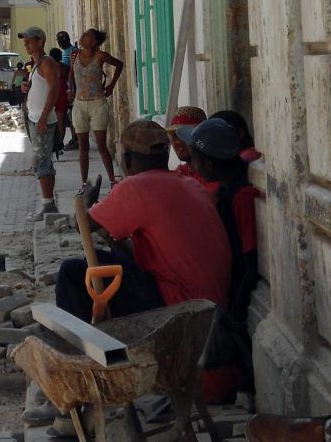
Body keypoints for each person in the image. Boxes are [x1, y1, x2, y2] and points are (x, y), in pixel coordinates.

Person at [24, 120, 232, 426]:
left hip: (176, 309)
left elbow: (87, 223)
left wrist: (90, 204)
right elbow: (150, 255)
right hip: (203, 311)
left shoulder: (137, 186)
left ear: (129, 161)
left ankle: (70, 396)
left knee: (72, 273)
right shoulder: (189, 184)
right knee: (110, 266)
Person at [177, 118, 261, 323]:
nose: (192, 166)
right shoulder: (225, 190)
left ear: (209, 165)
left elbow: (250, 266)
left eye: (195, 160)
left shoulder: (242, 197)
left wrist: (233, 318)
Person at [68, 29, 124, 191]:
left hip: (97, 103)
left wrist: (112, 85)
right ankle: (84, 183)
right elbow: (72, 73)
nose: (83, 37)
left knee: (101, 145)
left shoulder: (101, 56)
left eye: (87, 36)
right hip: (79, 104)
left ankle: (112, 180)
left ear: (94, 42)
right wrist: (71, 89)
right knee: (82, 145)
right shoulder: (75, 55)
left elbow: (119, 65)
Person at [19, 26, 60, 221]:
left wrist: (44, 115)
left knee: (40, 162)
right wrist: (27, 86)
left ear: (40, 41)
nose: (26, 44)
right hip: (35, 118)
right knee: (43, 161)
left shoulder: (47, 62)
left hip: (41, 119)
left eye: (29, 41)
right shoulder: (37, 64)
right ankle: (48, 203)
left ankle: (47, 204)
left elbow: (54, 89)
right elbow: (42, 88)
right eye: (25, 41)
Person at [166, 106, 220, 193]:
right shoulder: (180, 173)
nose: (177, 142)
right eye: (174, 136)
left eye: (183, 136)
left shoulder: (212, 174)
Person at [56, 31, 78, 151]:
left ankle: (76, 140)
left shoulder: (73, 51)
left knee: (73, 116)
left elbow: (71, 70)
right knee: (70, 116)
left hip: (72, 88)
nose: (61, 43)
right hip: (66, 88)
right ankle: (74, 139)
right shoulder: (65, 52)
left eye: (62, 41)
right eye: (59, 41)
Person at [48, 47, 69, 153]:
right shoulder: (64, 67)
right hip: (62, 94)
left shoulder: (48, 67)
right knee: (60, 121)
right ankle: (59, 144)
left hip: (52, 93)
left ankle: (55, 144)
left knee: (53, 121)